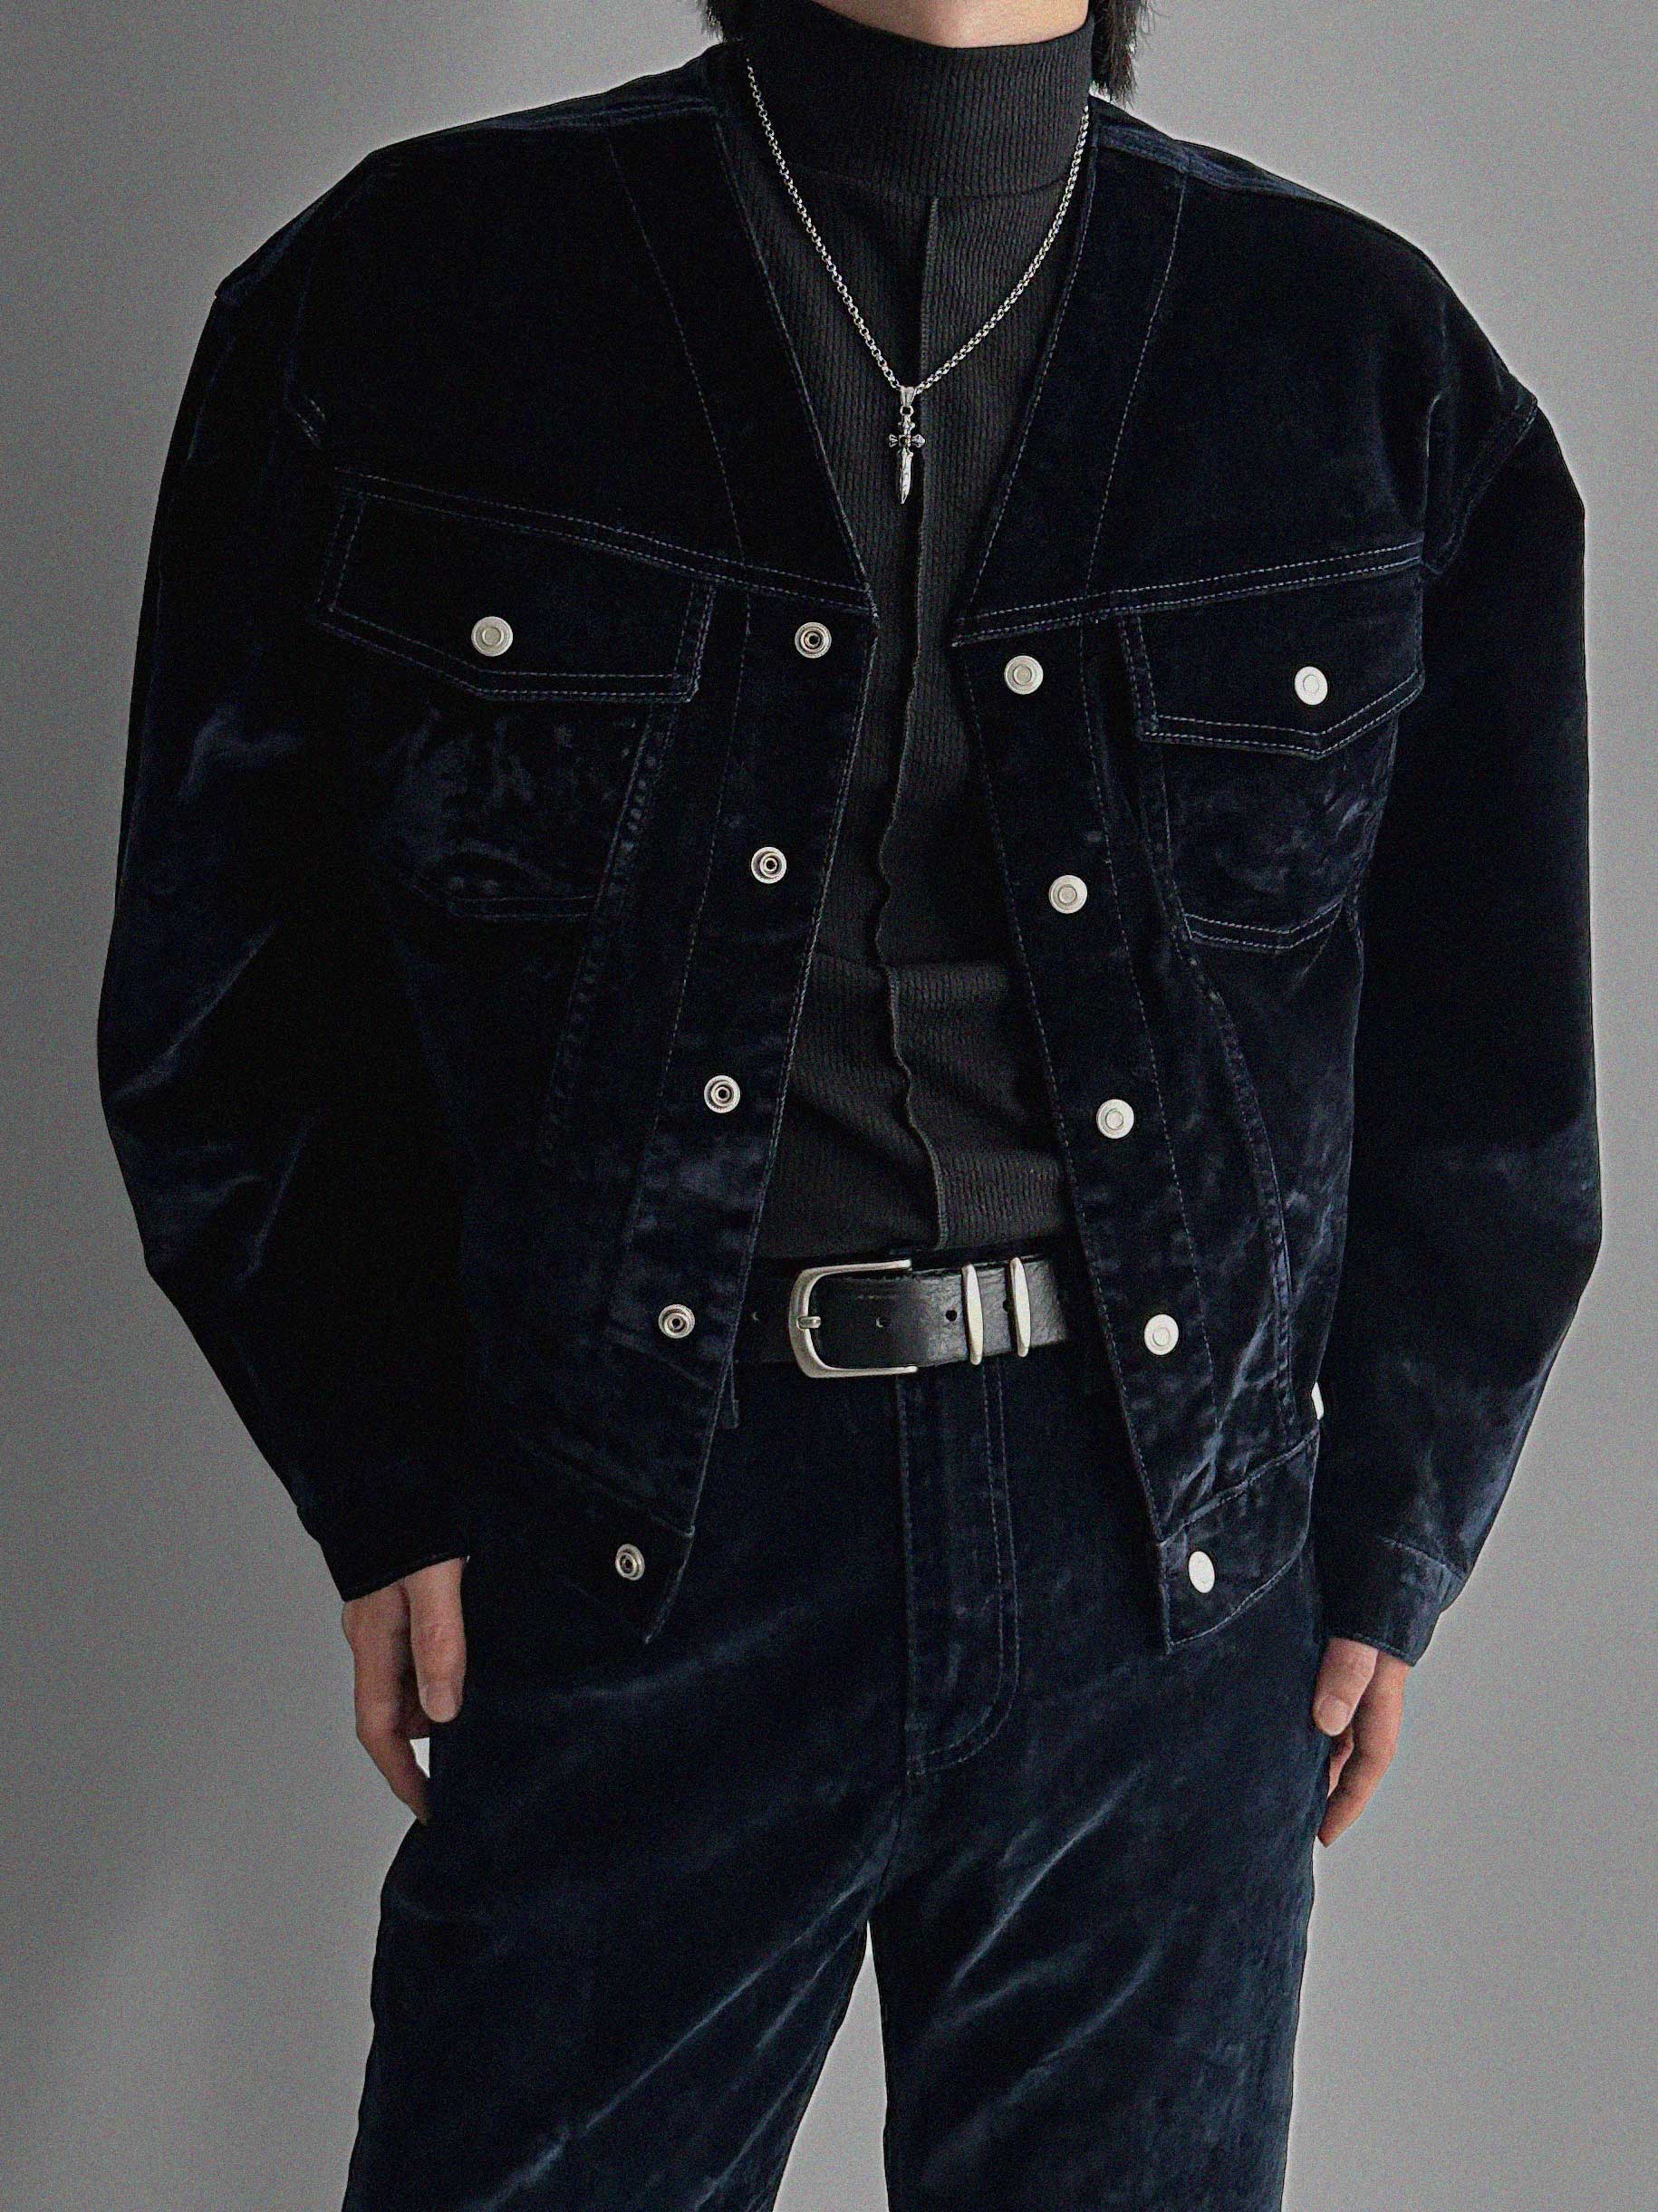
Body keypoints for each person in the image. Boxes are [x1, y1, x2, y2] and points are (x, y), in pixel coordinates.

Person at [96, 0, 1602, 2203]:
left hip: (1162, 1567)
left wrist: (1392, 1529)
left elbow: (1494, 1053)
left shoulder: (1360, 356)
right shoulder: (405, 300)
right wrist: (382, 1470)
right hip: (636, 1538)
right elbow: (224, 987)